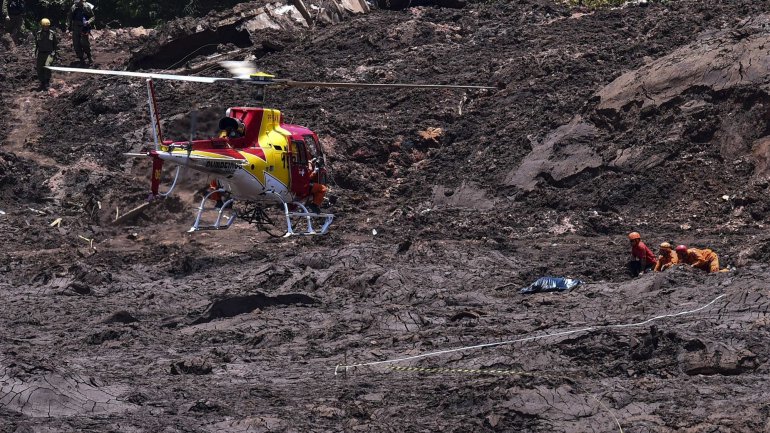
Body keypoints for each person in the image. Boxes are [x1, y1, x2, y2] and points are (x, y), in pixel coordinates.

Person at [34, 19, 58, 91]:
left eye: (47, 26)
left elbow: (55, 44)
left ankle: (47, 82)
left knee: (47, 68)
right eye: (45, 26)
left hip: (49, 53)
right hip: (41, 53)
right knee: (39, 68)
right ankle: (42, 82)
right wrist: (34, 52)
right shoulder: (38, 34)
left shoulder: (52, 34)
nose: (46, 28)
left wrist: (54, 53)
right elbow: (36, 44)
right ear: (42, 26)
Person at [69, 0, 94, 65]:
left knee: (85, 42)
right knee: (76, 44)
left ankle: (89, 56)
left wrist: (88, 22)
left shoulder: (87, 7)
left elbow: (93, 16)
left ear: (82, 2)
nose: (77, 4)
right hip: (75, 27)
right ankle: (81, 59)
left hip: (84, 27)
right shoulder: (73, 7)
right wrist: (68, 27)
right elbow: (70, 17)